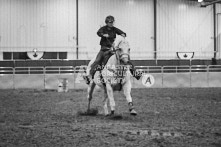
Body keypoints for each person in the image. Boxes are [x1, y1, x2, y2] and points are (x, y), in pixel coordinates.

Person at [88, 15, 141, 80]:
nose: (111, 23)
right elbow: (98, 32)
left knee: (125, 58)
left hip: (112, 49)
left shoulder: (114, 29)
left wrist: (123, 34)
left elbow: (123, 33)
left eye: (112, 22)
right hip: (104, 49)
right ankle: (90, 74)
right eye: (110, 22)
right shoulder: (103, 29)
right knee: (97, 60)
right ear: (107, 22)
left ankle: (135, 73)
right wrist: (103, 34)